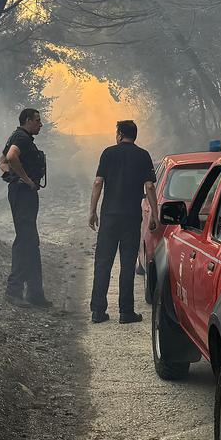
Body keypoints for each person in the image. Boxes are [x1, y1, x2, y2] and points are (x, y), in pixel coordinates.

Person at [87, 119, 157, 324]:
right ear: (134, 135)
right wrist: (155, 213)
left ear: (119, 134)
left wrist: (92, 211)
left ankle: (98, 312)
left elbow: (98, 182)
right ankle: (126, 312)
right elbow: (150, 186)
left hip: (109, 217)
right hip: (131, 218)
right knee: (127, 265)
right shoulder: (143, 155)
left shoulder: (108, 153)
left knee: (103, 263)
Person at [0, 107, 51, 308]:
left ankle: (35, 293)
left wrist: (10, 176)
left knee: (31, 242)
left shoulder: (19, 137)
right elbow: (11, 157)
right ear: (28, 120)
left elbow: (1, 161)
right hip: (24, 195)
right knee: (24, 241)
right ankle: (13, 291)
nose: (41, 124)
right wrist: (26, 180)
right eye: (38, 120)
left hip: (22, 193)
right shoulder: (21, 137)